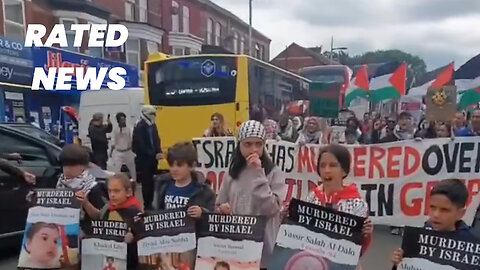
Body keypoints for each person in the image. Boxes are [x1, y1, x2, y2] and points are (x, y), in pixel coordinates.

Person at [216, 120, 287, 270]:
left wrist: (258, 174)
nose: (253, 149)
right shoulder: (232, 172)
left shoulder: (274, 173)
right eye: (248, 144)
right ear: (239, 145)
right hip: (237, 247)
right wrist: (222, 208)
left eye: (258, 144)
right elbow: (218, 204)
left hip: (264, 249)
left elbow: (272, 208)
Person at [306, 144, 373, 261]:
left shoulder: (357, 204)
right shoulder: (312, 198)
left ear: (344, 170)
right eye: (322, 166)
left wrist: (365, 234)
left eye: (333, 165)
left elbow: (359, 249)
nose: (327, 170)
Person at [391, 179, 476, 270]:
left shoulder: (472, 244)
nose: (436, 215)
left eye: (444, 210)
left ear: (460, 213)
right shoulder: (418, 237)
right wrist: (398, 263)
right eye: (432, 207)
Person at [79, 174, 143, 269]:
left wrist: (133, 238)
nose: (112, 195)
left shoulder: (135, 212)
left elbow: (143, 237)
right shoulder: (109, 206)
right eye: (110, 191)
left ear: (128, 192)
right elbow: (99, 217)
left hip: (127, 262)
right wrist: (85, 202)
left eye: (116, 191)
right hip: (106, 257)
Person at [154, 142, 215, 216]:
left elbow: (212, 218)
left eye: (179, 165)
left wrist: (202, 213)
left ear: (192, 166)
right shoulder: (163, 185)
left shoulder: (204, 191)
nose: (174, 169)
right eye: (171, 165)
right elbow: (156, 212)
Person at [57, 144, 108, 228]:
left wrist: (85, 203)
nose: (67, 169)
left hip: (86, 231)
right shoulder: (59, 182)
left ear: (83, 166)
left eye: (72, 165)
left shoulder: (93, 187)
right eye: (65, 165)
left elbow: (100, 216)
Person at [133, 105, 162, 210]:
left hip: (153, 159)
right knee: (146, 182)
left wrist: (159, 151)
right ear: (145, 114)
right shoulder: (139, 126)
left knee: (152, 181)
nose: (153, 116)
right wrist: (151, 154)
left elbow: (157, 139)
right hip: (144, 160)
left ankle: (151, 202)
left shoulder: (153, 125)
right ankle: (147, 204)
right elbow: (139, 144)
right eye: (151, 114)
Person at [110, 112, 136, 181]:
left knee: (132, 169)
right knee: (116, 169)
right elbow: (113, 141)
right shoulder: (115, 130)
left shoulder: (129, 128)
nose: (123, 121)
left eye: (124, 119)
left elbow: (133, 139)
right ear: (118, 121)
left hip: (128, 151)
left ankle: (134, 182)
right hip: (118, 152)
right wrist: (111, 152)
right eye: (121, 120)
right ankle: (117, 182)